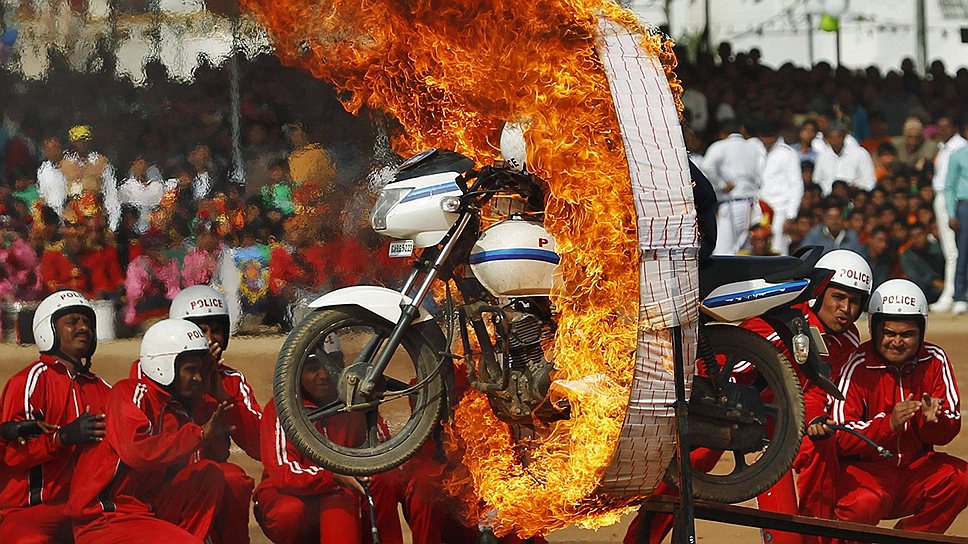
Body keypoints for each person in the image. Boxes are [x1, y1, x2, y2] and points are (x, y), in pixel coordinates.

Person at [625, 251, 874, 544]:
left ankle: (812, 535)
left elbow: (821, 388)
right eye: (838, 297)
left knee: (818, 454)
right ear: (819, 293)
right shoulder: (780, 324)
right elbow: (720, 366)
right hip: (729, 415)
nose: (845, 308)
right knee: (686, 475)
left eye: (855, 301)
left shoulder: (850, 339)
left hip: (783, 426)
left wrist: (816, 418)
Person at [68, 319, 232, 544]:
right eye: (191, 370)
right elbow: (136, 452)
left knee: (209, 474)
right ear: (165, 365)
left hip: (143, 512)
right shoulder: (129, 393)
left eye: (201, 371)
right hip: (106, 518)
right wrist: (200, 434)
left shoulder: (177, 410)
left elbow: (219, 452)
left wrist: (213, 392)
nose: (198, 378)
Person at [828, 279, 968, 535]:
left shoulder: (934, 359)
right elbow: (840, 436)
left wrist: (933, 421)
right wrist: (889, 424)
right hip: (867, 474)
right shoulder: (857, 365)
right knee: (865, 502)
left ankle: (912, 537)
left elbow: (949, 429)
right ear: (874, 328)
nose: (897, 342)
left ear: (921, 331)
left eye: (907, 334)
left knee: (961, 478)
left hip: (915, 470)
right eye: (889, 333)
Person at [254, 352, 405, 544]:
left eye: (329, 366)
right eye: (312, 369)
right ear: (297, 371)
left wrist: (356, 474)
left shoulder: (355, 398)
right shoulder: (281, 408)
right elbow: (283, 472)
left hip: (347, 489)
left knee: (385, 479)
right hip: (295, 494)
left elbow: (384, 451)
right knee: (290, 512)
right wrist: (331, 476)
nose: (324, 375)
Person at [0, 290, 110, 543]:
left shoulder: (103, 389)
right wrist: (61, 438)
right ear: (48, 329)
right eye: (73, 321)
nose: (83, 328)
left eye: (87, 323)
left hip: (85, 511)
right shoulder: (31, 381)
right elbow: (12, 455)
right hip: (31, 512)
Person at [169, 285, 260, 544]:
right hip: (165, 478)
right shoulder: (153, 374)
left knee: (234, 479)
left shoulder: (232, 380)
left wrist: (220, 393)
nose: (210, 339)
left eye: (216, 329)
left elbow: (260, 446)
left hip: (216, 478)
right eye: (200, 330)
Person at [699, 120, 762, 255]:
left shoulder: (721, 146)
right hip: (752, 201)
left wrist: (721, 184)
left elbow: (706, 166)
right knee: (742, 247)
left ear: (722, 134)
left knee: (724, 249)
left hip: (733, 201)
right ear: (741, 131)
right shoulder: (753, 147)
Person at [930, 117, 965, 312]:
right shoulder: (944, 146)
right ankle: (952, 293)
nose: (941, 130)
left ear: (955, 127)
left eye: (946, 126)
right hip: (942, 196)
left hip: (950, 197)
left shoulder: (958, 147)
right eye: (939, 127)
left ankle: (951, 294)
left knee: (952, 251)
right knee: (950, 250)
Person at [756, 119, 802, 255]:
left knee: (777, 247)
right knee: (757, 245)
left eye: (769, 136)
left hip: (780, 208)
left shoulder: (787, 153)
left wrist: (791, 215)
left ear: (776, 135)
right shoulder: (757, 150)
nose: (766, 139)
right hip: (759, 207)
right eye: (763, 136)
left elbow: (796, 184)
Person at [812, 121, 876, 195]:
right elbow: (816, 181)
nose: (835, 141)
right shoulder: (822, 157)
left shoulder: (860, 153)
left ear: (845, 136)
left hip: (853, 198)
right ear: (827, 139)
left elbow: (869, 182)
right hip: (828, 200)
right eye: (831, 137)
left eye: (839, 137)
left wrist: (856, 187)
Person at [943, 127, 968, 315]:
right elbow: (949, 186)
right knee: (964, 251)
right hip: (964, 205)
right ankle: (959, 296)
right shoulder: (958, 155)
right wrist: (951, 214)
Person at [899, 223, 945, 304]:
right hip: (922, 293)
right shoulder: (907, 255)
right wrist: (933, 281)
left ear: (926, 233)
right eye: (913, 236)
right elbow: (913, 278)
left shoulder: (938, 249)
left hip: (945, 290)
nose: (917, 238)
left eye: (920, 234)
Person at [36, 137, 67, 219]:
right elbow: (42, 194)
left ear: (60, 149)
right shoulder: (43, 169)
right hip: (50, 215)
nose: (50, 152)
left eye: (53, 148)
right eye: (47, 149)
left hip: (68, 211)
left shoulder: (69, 166)